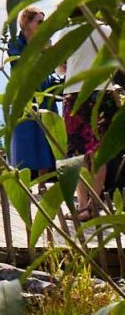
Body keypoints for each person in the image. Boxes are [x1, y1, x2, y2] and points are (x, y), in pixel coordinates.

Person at [63, 25, 114, 219]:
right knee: (99, 152)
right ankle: (94, 205)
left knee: (78, 154)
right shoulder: (107, 29)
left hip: (75, 93)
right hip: (102, 92)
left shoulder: (68, 31)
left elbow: (60, 66)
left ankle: (82, 205)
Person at [8, 7, 58, 175]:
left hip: (44, 91)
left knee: (45, 137)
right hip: (24, 95)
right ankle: (24, 180)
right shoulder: (15, 43)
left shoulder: (45, 42)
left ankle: (43, 182)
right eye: (40, 21)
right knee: (25, 138)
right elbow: (19, 66)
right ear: (27, 23)